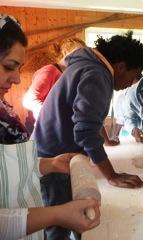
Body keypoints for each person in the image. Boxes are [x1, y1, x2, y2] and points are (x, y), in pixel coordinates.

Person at [32, 31, 143, 239]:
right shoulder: (98, 74)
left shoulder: (87, 66)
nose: (132, 82)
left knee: (69, 217)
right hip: (54, 158)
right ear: (121, 67)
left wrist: (105, 140)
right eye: (134, 75)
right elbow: (85, 129)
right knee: (59, 224)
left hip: (53, 152)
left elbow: (87, 116)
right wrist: (111, 175)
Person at [0, 14, 100, 240]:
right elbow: (31, 100)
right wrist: (55, 215)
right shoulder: (50, 71)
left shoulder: (3, 108)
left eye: (18, 68)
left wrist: (46, 164)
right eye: (9, 66)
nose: (17, 79)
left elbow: (4, 166)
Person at [23, 37, 85, 122]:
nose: (82, 58)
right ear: (65, 52)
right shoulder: (50, 71)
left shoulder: (66, 74)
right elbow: (29, 100)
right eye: (79, 53)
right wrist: (54, 118)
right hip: (46, 129)